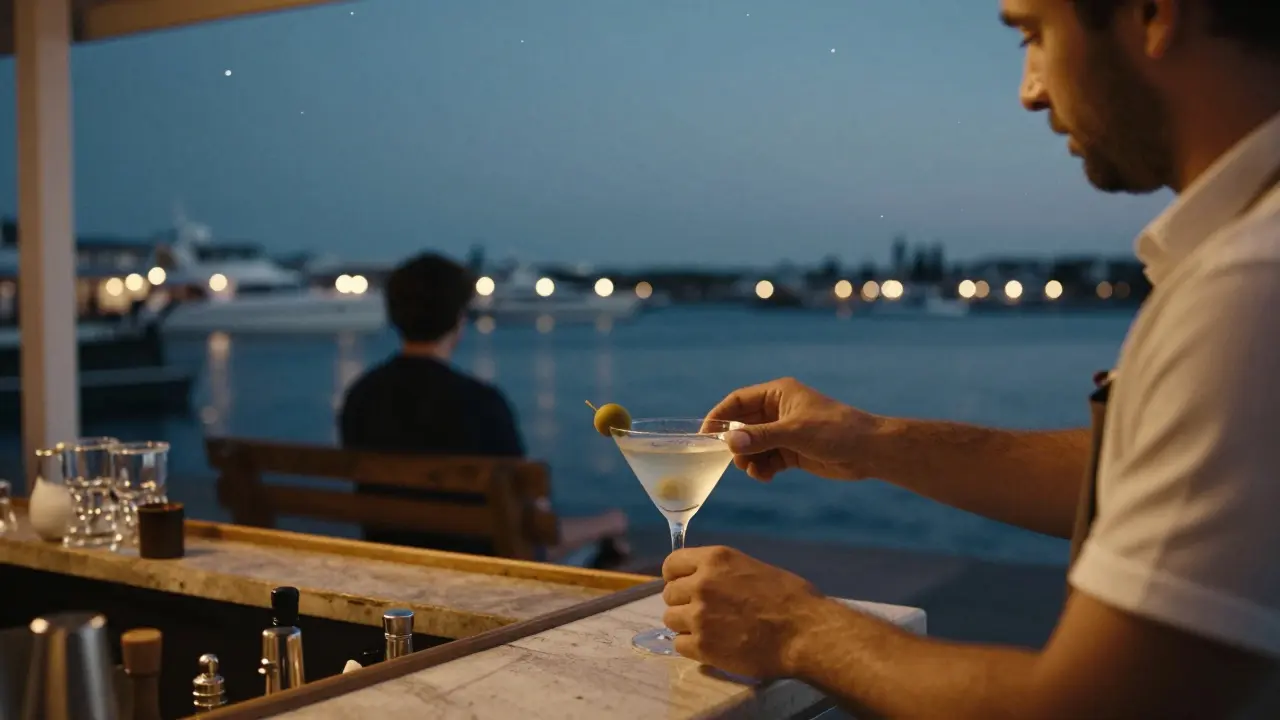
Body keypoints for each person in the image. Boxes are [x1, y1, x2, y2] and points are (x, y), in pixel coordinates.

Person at [662, 1, 1280, 717]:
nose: (1031, 89)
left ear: (1152, 13)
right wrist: (868, 442)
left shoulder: (1251, 283)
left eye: (1035, 34)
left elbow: (1093, 708)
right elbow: (1161, 475)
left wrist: (794, 629)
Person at [340, 252, 629, 564]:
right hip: (481, 567)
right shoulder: (480, 403)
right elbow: (535, 523)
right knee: (614, 532)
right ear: (459, 318)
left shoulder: (361, 395)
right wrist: (612, 522)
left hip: (392, 559)